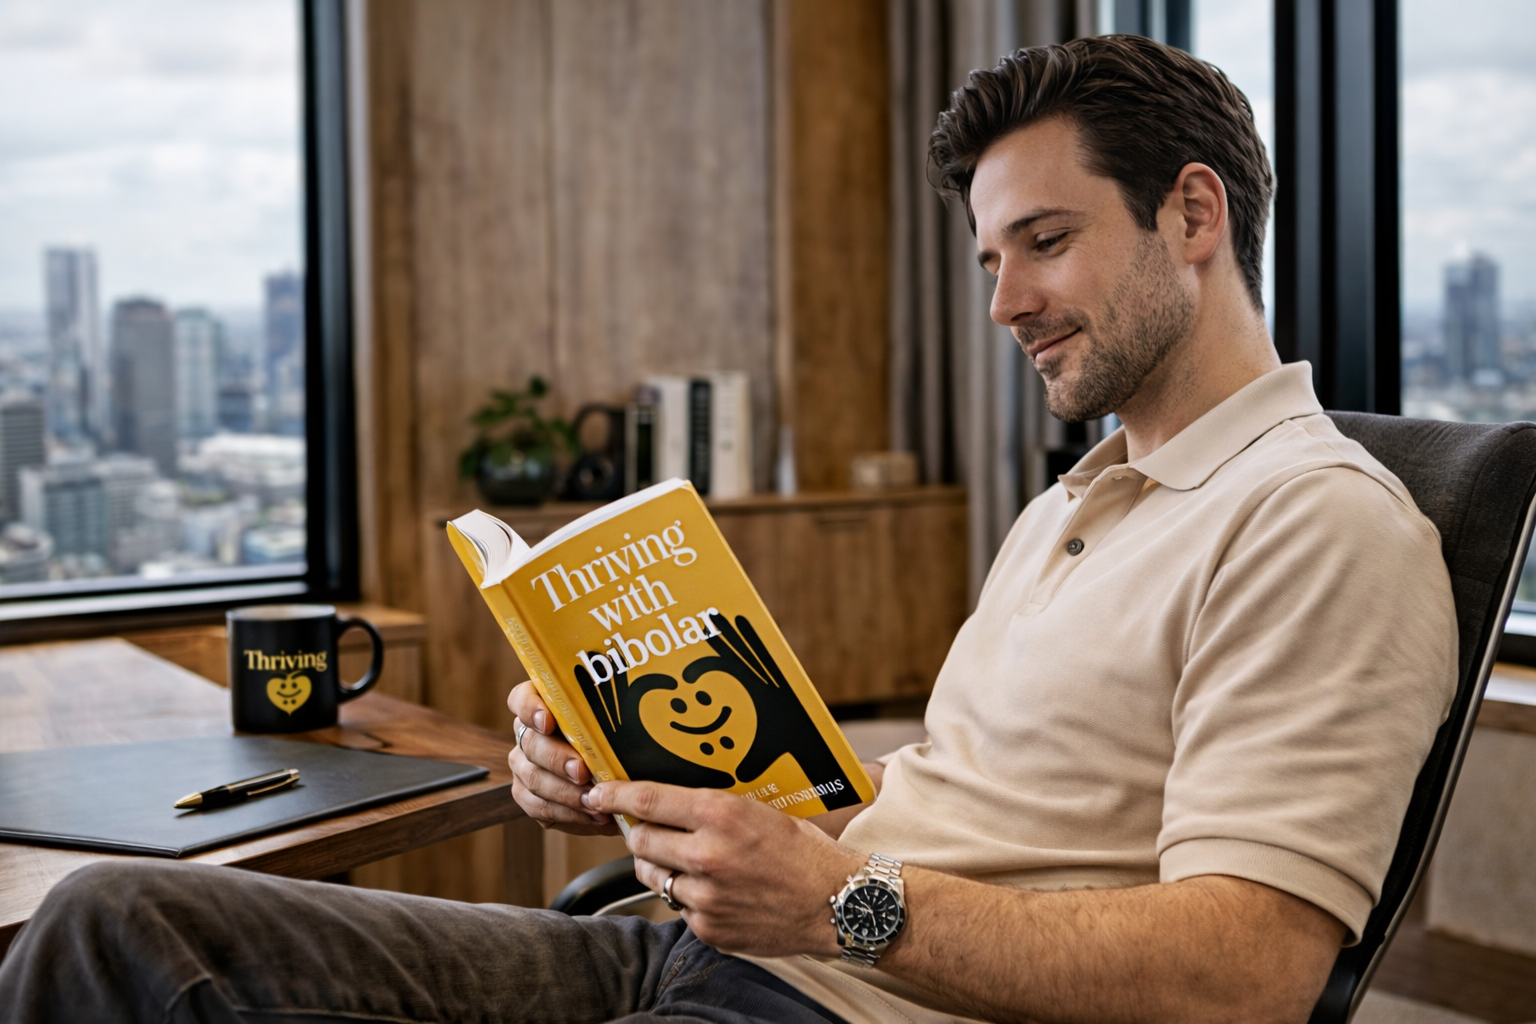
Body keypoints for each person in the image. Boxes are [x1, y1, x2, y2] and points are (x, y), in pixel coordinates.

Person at [0, 34, 1455, 1024]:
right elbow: (962, 814)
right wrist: (637, 765)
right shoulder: (1079, 502)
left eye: (1048, 241)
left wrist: (840, 906)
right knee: (114, 924)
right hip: (721, 954)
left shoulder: (1313, 523)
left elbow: (1250, 972)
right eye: (989, 257)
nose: (1005, 302)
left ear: (1192, 214)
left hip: (841, 997)